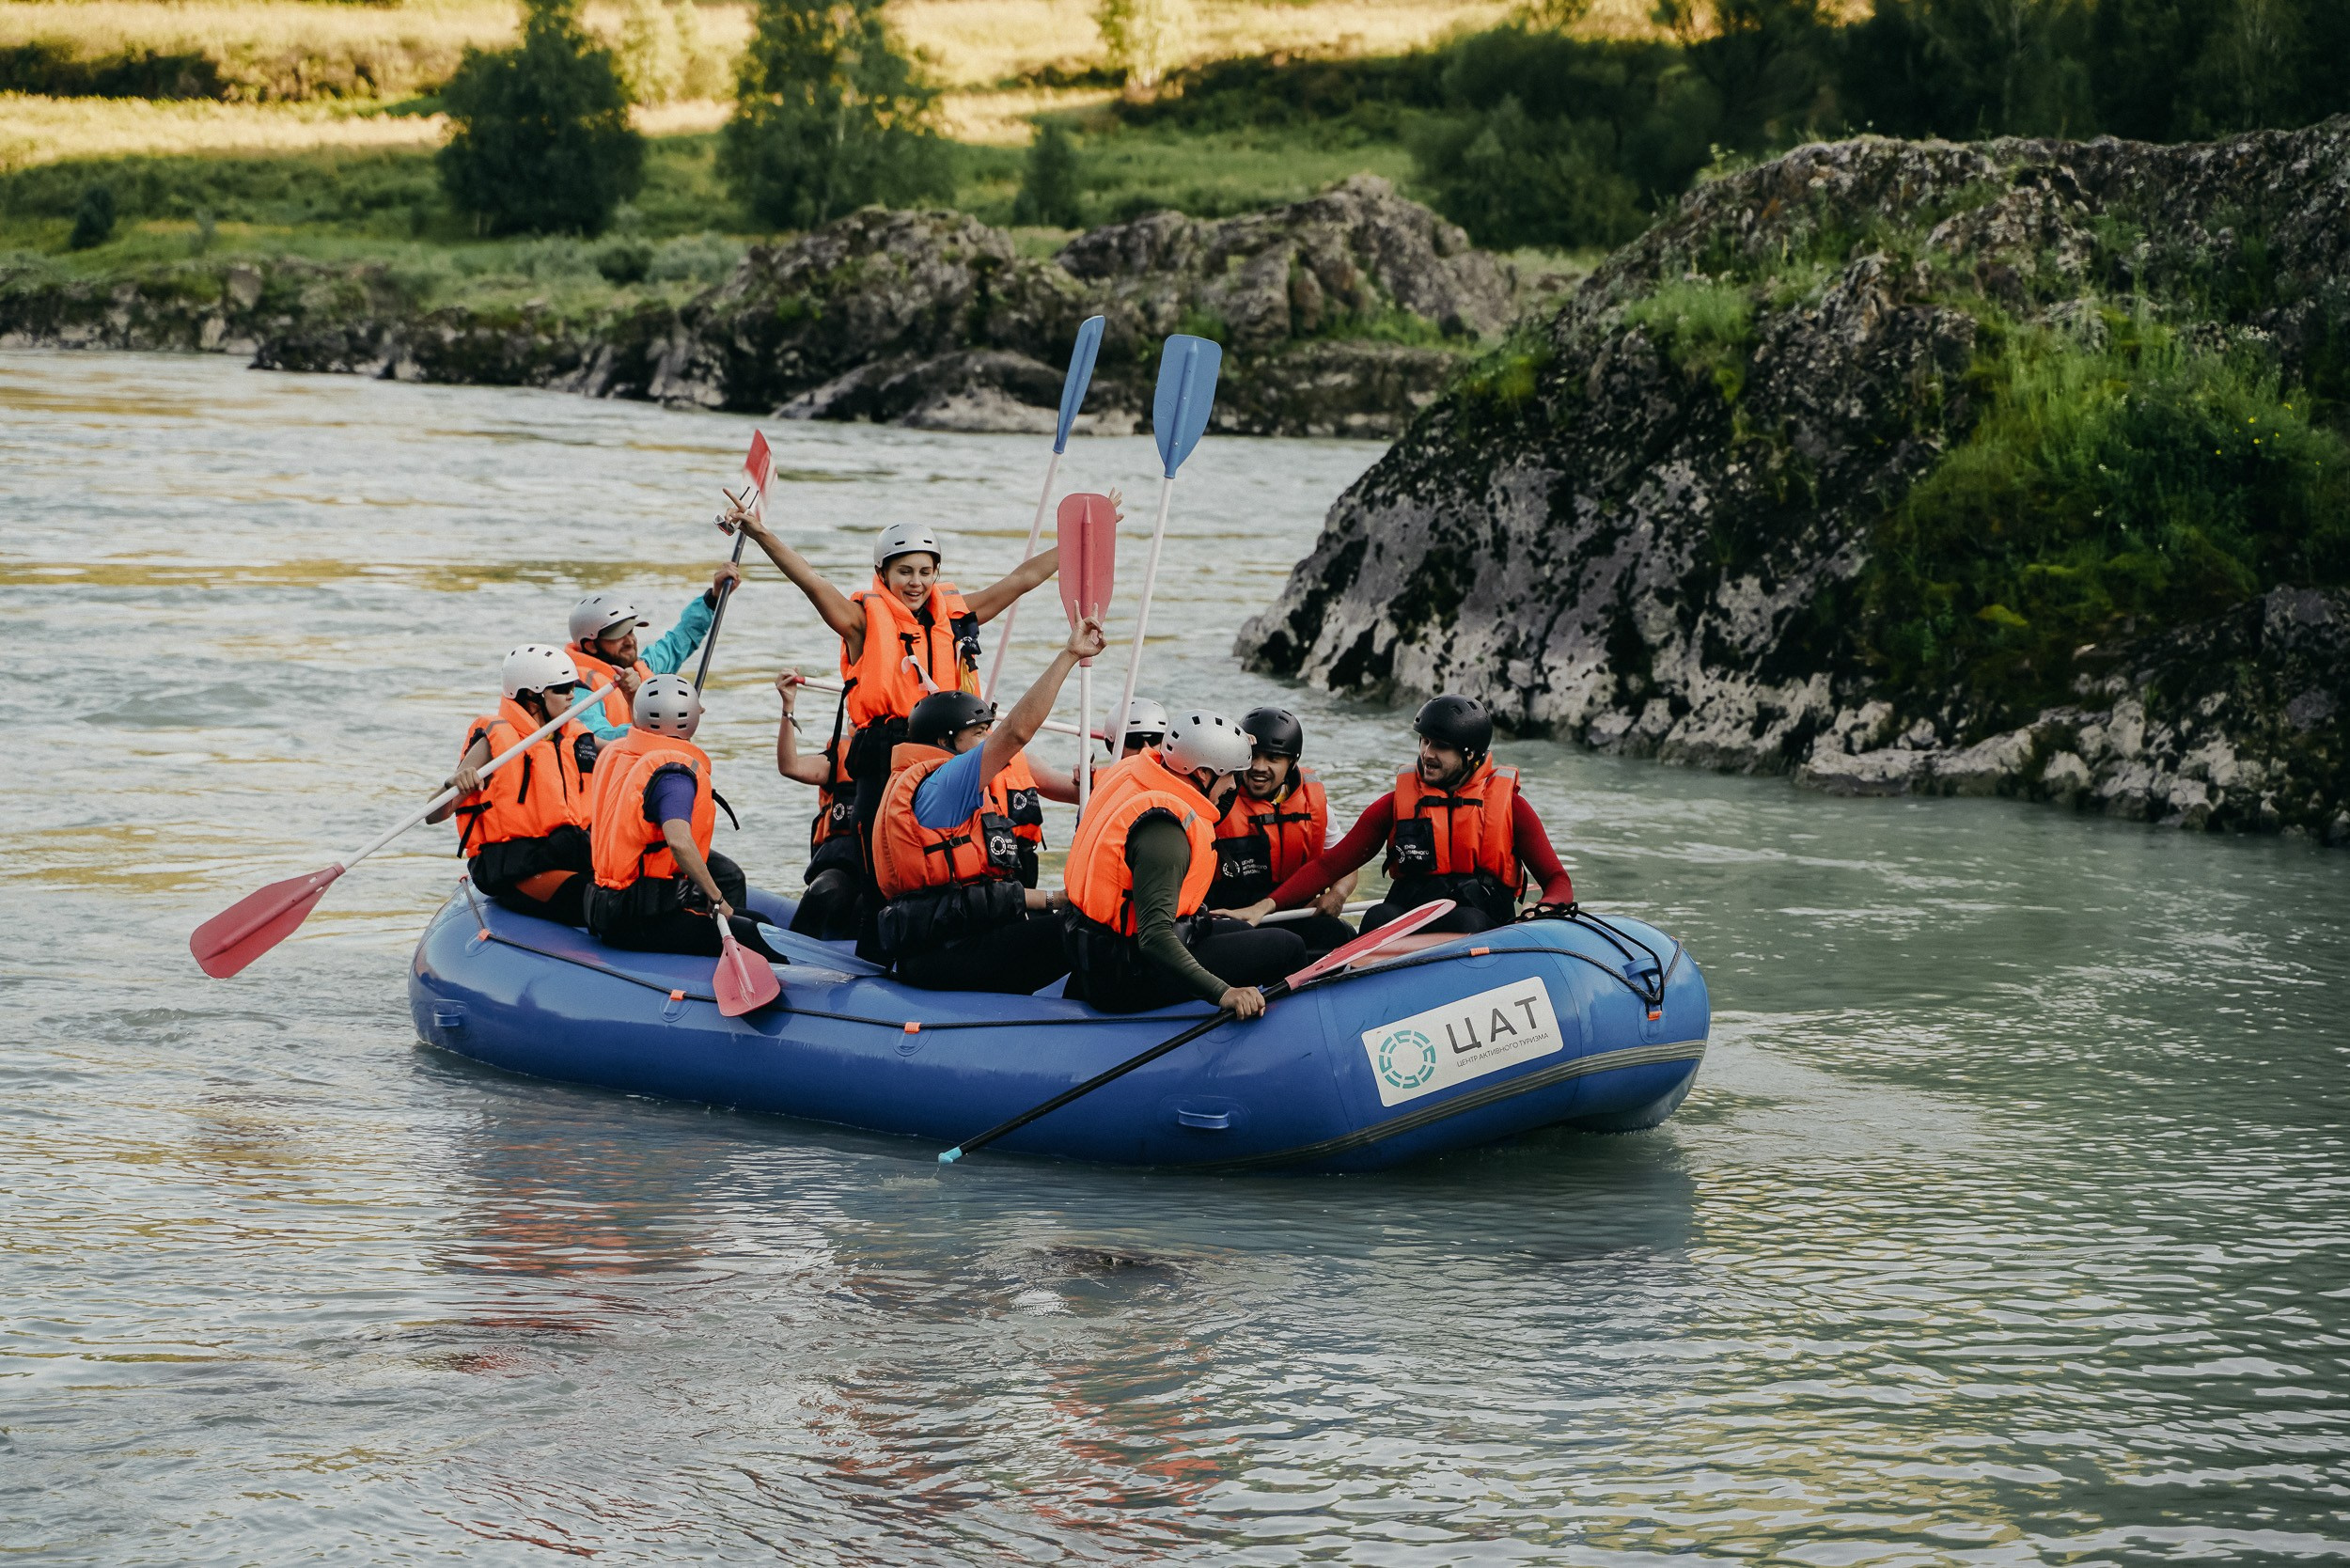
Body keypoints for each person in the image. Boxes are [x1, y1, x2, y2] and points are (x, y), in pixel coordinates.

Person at [725, 506, 1079, 839]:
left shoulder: (954, 615)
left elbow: (1021, 579)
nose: (916, 583)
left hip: (944, 752)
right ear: (882, 573)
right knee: (879, 853)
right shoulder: (861, 622)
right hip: (883, 758)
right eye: (905, 572)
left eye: (925, 572)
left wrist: (1076, 540)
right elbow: (811, 581)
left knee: (949, 843)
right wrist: (760, 533)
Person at [870, 616, 1108, 993]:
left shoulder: (946, 781)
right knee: (1085, 929)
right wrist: (1069, 655)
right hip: (943, 953)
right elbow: (1017, 732)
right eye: (979, 733)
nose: (988, 741)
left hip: (959, 934)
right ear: (946, 742)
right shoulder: (943, 785)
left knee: (1073, 921)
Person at [1235, 695, 1576, 937]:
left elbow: (1557, 880)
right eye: (1424, 742)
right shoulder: (1396, 803)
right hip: (1410, 918)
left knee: (1467, 921)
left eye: (1439, 747)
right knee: (1378, 916)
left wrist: (1543, 908)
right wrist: (1265, 906)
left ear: (1470, 755)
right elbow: (1330, 866)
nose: (1427, 754)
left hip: (1477, 924)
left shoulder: (1510, 807)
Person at [1062, 711, 1306, 1015]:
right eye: (1229, 774)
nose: (1233, 786)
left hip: (1101, 957)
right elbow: (1154, 937)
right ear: (1203, 774)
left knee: (1239, 928)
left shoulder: (1133, 772)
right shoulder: (1165, 832)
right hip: (1126, 977)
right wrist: (1224, 993)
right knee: (1287, 947)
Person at [585, 674, 787, 962]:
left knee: (756, 917)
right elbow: (679, 842)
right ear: (687, 719)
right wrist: (717, 901)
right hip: (639, 919)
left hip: (611, 908)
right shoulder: (672, 774)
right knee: (755, 935)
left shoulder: (620, 752)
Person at [429, 644, 599, 925]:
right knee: (600, 902)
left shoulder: (573, 737)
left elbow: (621, 752)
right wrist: (456, 783)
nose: (572, 696)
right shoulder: (494, 742)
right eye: (562, 689)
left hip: (563, 851)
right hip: (512, 866)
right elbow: (434, 814)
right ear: (533, 695)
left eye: (572, 687)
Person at [1208, 706, 1357, 956]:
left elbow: (1346, 864)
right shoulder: (1218, 798)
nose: (1258, 767)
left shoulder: (1314, 803)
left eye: (1272, 758)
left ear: (1292, 762)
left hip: (1295, 914)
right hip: (1231, 922)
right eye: (1252, 756)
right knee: (1284, 947)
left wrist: (1338, 894)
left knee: (1342, 934)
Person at [564, 565, 741, 741]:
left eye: (631, 631)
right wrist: (663, 722)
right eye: (617, 636)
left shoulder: (641, 666)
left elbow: (679, 640)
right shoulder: (578, 687)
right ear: (591, 645)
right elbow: (594, 736)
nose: (630, 641)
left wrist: (713, 598)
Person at [773, 667, 863, 941]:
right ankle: (789, 958)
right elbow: (790, 766)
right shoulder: (838, 759)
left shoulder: (914, 760)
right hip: (844, 870)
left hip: (889, 876)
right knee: (824, 890)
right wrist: (788, 708)